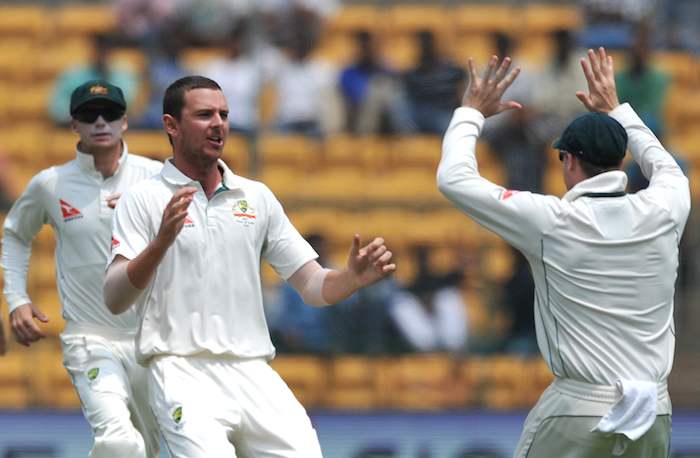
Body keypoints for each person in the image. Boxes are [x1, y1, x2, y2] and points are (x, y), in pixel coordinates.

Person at [103, 75, 396, 457]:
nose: (218, 123)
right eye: (204, 114)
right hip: (180, 370)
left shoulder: (256, 197)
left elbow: (313, 285)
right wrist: (160, 244)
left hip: (254, 370)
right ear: (171, 125)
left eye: (223, 114)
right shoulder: (143, 198)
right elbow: (114, 296)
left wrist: (351, 278)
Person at [437, 48, 688, 457]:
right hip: (654, 409)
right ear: (621, 162)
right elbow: (667, 167)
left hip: (579, 408)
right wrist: (619, 109)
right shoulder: (665, 207)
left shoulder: (550, 221)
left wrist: (470, 112)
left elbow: (454, 178)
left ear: (568, 161)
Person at [1, 80, 162, 457]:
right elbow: (15, 235)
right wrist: (16, 300)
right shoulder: (50, 184)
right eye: (89, 116)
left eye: (111, 114)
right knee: (120, 444)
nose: (101, 122)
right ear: (74, 125)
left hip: (154, 340)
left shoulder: (157, 179)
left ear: (125, 121)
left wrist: (149, 211)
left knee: (156, 450)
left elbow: (195, 239)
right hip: (89, 338)